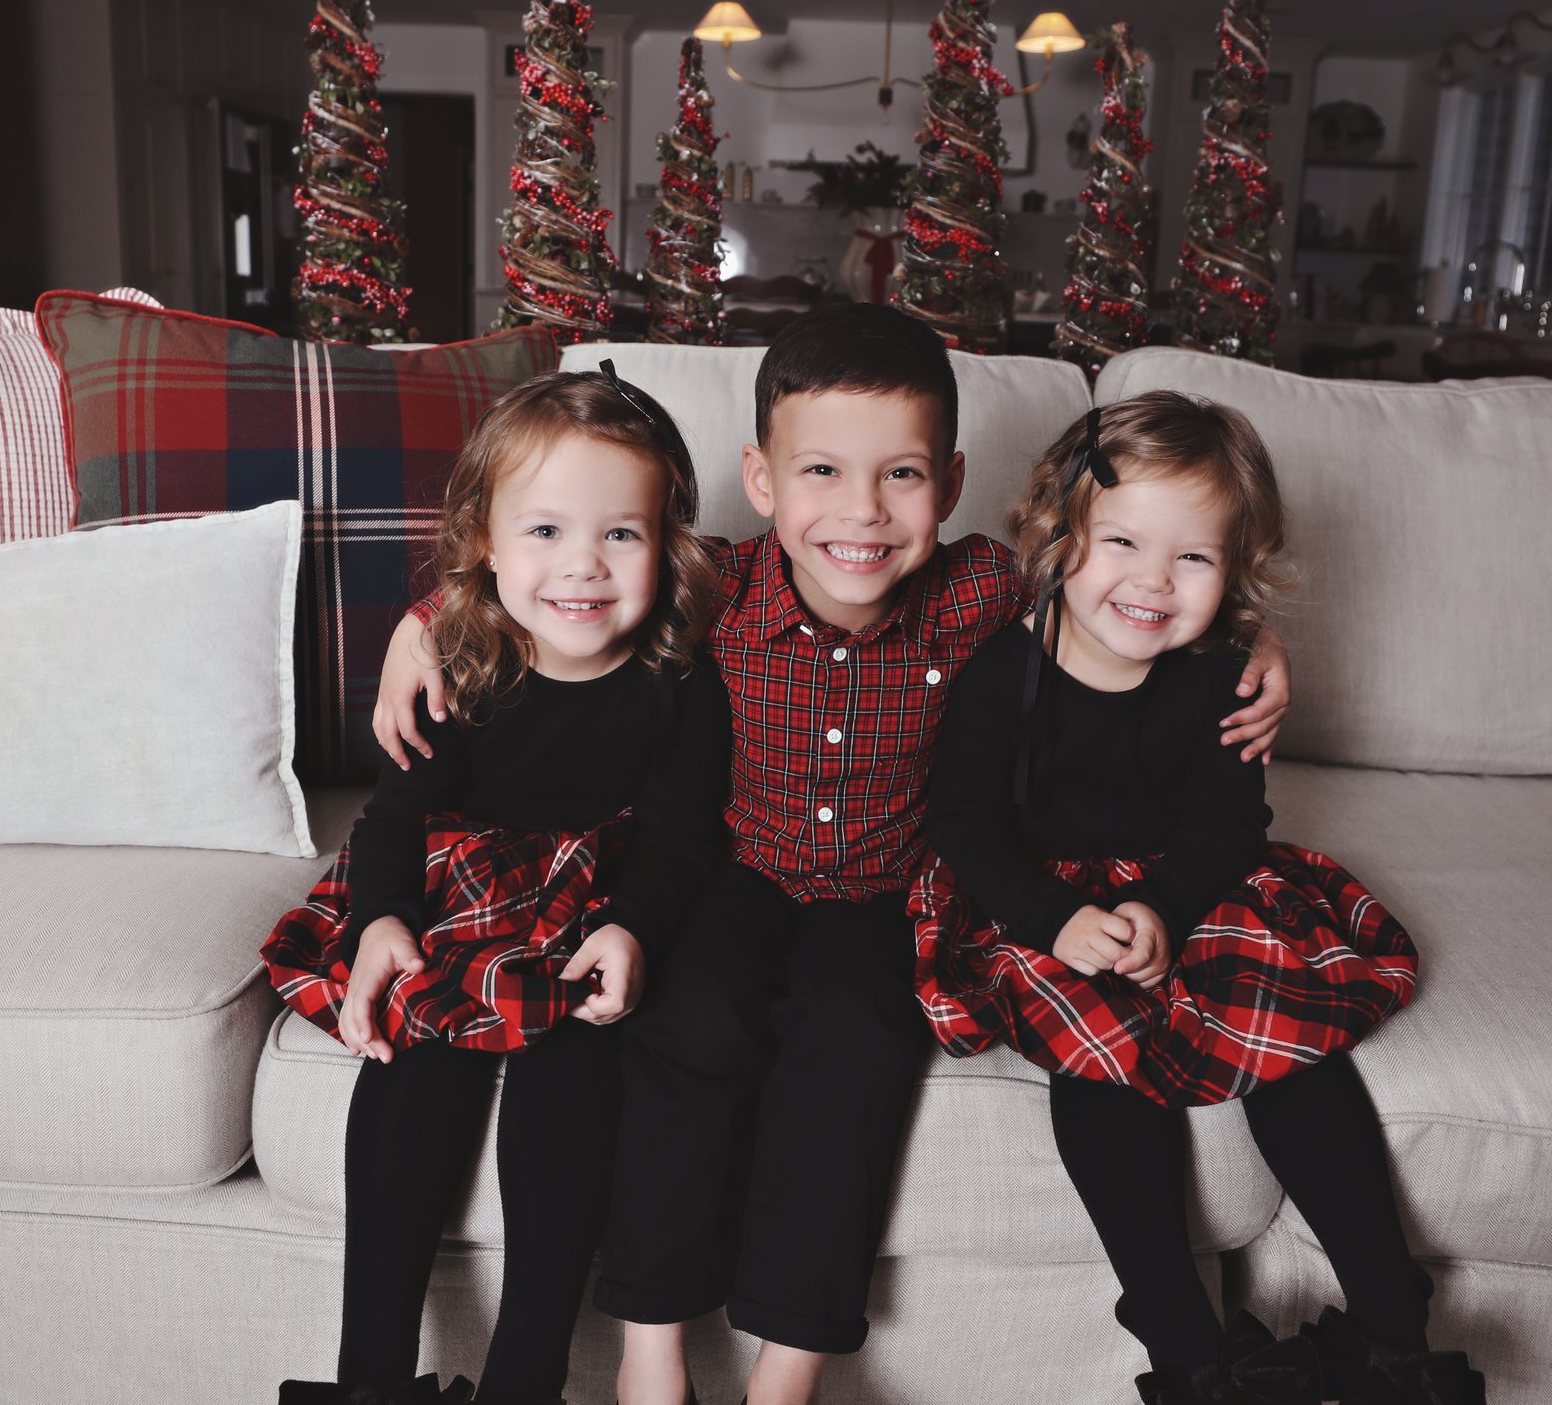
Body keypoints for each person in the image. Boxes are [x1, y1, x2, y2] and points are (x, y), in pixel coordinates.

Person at [374, 307, 1294, 1405]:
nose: (861, 512)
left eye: (900, 474)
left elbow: (1131, 594)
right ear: (760, 479)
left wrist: (1257, 643)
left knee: (854, 1043)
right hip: (733, 877)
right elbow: (568, 577)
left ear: (949, 483)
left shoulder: (987, 592)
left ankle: (786, 1374)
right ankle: (651, 1353)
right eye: (821, 470)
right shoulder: (713, 582)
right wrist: (421, 619)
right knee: (688, 1020)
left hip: (887, 897)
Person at [914, 392, 1483, 1405]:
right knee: (1097, 1054)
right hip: (1040, 894)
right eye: (1121, 539)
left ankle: (1394, 1323)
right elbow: (962, 823)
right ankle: (1186, 1341)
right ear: (1060, 535)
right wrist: (1057, 920)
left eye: (1193, 558)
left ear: (1235, 572)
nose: (1151, 581)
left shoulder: (1220, 672)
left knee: (1291, 1038)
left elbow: (1228, 822)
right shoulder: (1005, 670)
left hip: (1186, 880)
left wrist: (1169, 908)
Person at [266, 367, 733, 1405]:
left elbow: (681, 843)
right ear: (483, 538)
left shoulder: (683, 677)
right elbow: (394, 817)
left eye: (622, 534)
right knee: (413, 1057)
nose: (583, 567)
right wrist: (384, 918)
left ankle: (528, 1375)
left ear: (669, 543)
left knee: (577, 1065)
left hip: (592, 905)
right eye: (546, 532)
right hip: (460, 887)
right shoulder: (461, 659)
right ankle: (371, 1377)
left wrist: (633, 927)